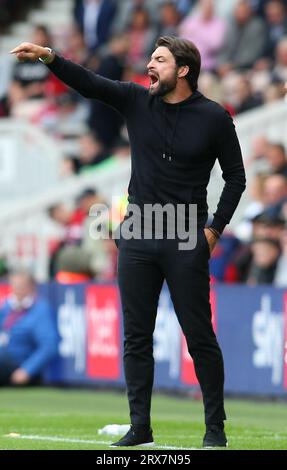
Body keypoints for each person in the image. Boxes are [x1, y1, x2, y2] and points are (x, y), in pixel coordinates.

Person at [10, 36, 246, 447]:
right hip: (136, 236)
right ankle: (140, 427)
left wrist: (213, 230)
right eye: (150, 58)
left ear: (184, 70)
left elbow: (236, 178)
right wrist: (50, 57)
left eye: (159, 60)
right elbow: (89, 82)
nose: (149, 65)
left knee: (199, 336)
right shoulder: (137, 100)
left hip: (186, 237)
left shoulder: (213, 117)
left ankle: (215, 431)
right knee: (136, 336)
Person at [0, 270, 58, 386]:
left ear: (32, 286)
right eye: (14, 286)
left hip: (17, 365)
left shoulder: (40, 310)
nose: (17, 289)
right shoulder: (6, 307)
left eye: (21, 286)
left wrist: (27, 370)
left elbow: (49, 345)